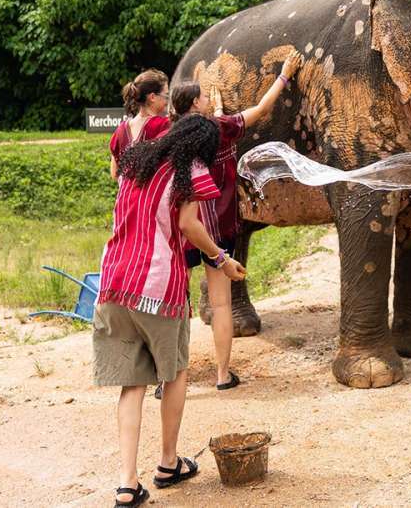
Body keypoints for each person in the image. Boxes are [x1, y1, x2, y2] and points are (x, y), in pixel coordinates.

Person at [94, 114, 247, 507]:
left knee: (133, 384)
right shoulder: (191, 169)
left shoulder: (136, 159)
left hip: (113, 283)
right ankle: (167, 463)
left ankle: (127, 484)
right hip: (159, 286)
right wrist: (221, 259)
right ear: (203, 148)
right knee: (175, 372)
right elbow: (189, 225)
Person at [165, 51, 298, 392]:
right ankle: (223, 375)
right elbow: (262, 110)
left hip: (179, 230)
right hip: (216, 229)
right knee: (222, 304)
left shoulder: (168, 138)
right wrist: (284, 75)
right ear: (195, 103)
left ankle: (166, 379)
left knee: (176, 304)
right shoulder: (221, 130)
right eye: (206, 96)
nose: (211, 99)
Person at [110, 69, 171, 179]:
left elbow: (114, 173)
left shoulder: (121, 130)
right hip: (153, 196)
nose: (167, 101)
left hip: (124, 195)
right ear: (152, 97)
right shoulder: (164, 125)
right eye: (166, 95)